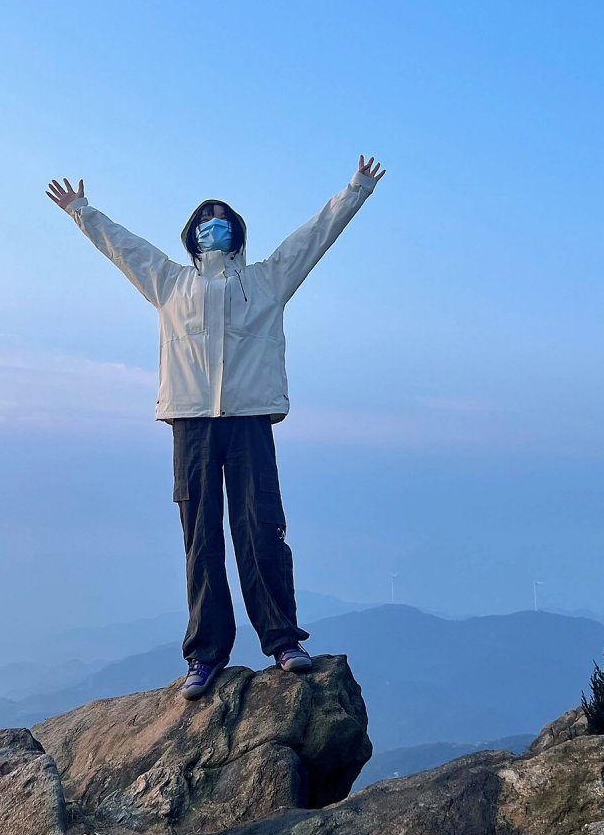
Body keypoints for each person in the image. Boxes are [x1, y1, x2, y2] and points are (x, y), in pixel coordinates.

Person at [46, 157, 386, 700]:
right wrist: (82, 212)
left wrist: (356, 191)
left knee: (261, 527)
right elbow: (124, 247)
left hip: (250, 418)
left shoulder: (267, 280)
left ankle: (282, 640)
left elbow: (313, 238)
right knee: (200, 537)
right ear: (191, 235)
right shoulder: (170, 283)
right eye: (204, 217)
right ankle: (205, 657)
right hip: (192, 421)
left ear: (237, 231)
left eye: (221, 216)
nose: (213, 222)